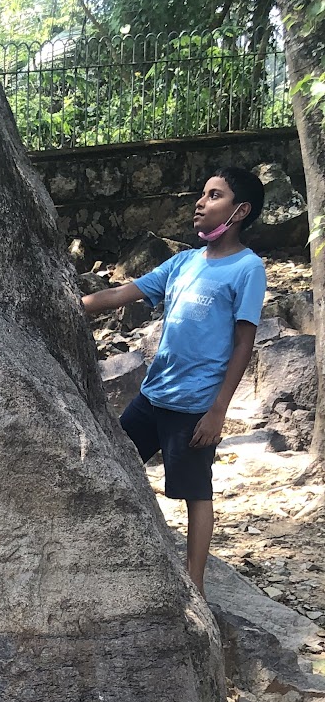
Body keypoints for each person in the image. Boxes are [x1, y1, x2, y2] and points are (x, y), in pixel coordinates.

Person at [82, 168, 267, 593]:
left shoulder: (247, 269)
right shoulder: (183, 263)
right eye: (202, 194)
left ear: (240, 211)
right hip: (152, 397)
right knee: (116, 463)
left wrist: (217, 412)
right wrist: (69, 304)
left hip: (194, 408)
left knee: (195, 493)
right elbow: (118, 295)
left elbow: (243, 344)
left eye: (214, 195)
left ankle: (195, 585)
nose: (200, 203)